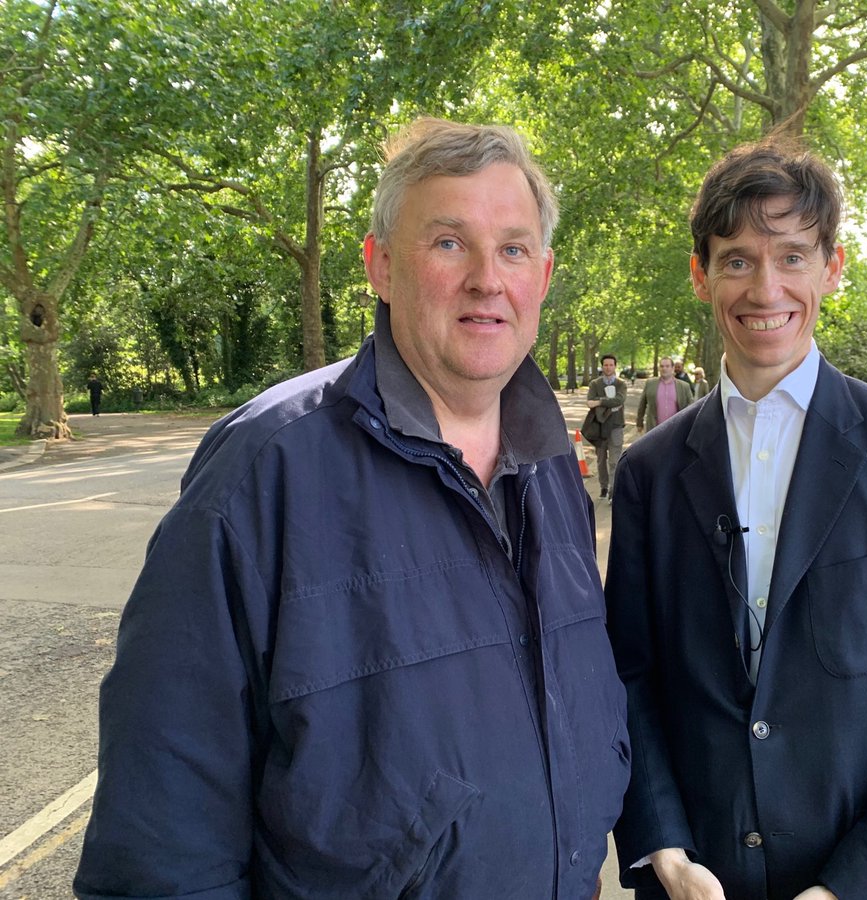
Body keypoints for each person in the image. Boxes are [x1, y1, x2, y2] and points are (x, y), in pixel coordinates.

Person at [75, 118, 629, 900]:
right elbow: (162, 840)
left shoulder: (551, 464)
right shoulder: (264, 470)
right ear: (380, 266)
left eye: (512, 249)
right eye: (449, 243)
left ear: (542, 275)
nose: (487, 279)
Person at [605, 136, 867, 900]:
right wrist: (665, 849)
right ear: (701, 275)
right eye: (737, 260)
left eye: (792, 257)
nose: (765, 287)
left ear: (831, 269)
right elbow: (629, 680)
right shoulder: (648, 472)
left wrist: (852, 888)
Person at [586, 352, 627, 499]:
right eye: (605, 365)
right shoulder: (595, 384)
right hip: (599, 427)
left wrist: (599, 402)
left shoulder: (621, 384)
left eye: (611, 365)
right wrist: (610, 403)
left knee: (615, 461)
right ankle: (603, 486)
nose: (608, 367)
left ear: (615, 366)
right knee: (600, 460)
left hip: (616, 426)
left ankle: (613, 490)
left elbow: (619, 400)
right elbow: (589, 402)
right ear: (602, 367)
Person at [636, 356, 693, 432]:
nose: (664, 368)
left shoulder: (684, 386)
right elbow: (642, 404)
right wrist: (639, 423)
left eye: (667, 366)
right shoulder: (650, 384)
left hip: (676, 429)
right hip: (654, 429)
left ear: (672, 368)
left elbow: (692, 406)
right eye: (662, 366)